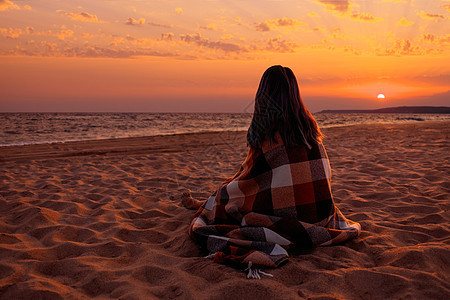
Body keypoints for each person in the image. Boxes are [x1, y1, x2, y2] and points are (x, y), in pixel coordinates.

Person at [182, 65, 361, 271]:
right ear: (295, 95)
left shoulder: (267, 135)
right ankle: (202, 202)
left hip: (291, 218)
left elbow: (251, 179)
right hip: (321, 216)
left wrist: (225, 191)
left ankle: (202, 203)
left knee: (225, 197)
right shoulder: (311, 131)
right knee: (234, 191)